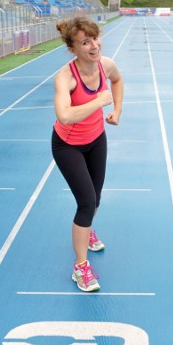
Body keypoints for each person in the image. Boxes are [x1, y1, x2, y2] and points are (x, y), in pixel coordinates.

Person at [52, 16, 123, 292]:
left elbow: (117, 81)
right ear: (73, 49)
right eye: (85, 42)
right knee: (86, 202)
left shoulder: (106, 65)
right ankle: (80, 267)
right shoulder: (66, 77)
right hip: (68, 146)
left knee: (96, 198)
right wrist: (98, 102)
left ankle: (87, 229)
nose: (94, 46)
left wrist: (117, 109)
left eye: (95, 38)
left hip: (96, 139)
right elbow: (65, 115)